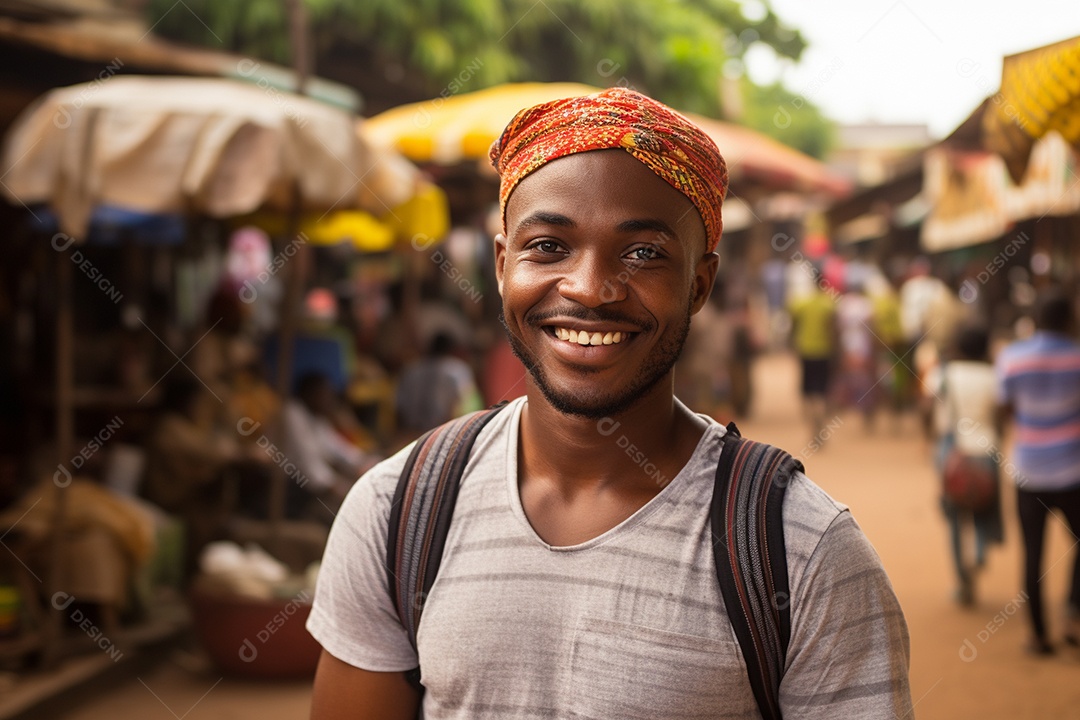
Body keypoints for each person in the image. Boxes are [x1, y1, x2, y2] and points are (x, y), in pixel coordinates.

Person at [307, 87, 912, 719]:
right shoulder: (396, 513)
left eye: (644, 253)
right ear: (500, 264)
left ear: (698, 284)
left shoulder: (801, 552)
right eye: (548, 246)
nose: (591, 289)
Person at [997, 290, 1080, 655]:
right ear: (1068, 320)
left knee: (1033, 552)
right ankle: (1074, 614)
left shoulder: (1012, 357)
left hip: (1028, 470)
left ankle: (1038, 635)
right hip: (1073, 471)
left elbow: (1004, 406)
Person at [928, 325, 1004, 606]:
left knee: (954, 517)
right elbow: (1002, 412)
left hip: (952, 451)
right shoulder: (993, 375)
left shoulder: (944, 374)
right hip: (987, 448)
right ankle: (981, 551)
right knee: (984, 507)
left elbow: (927, 405)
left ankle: (963, 581)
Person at [788, 280, 838, 442]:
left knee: (808, 391)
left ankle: (813, 428)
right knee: (821, 390)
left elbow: (794, 325)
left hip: (806, 351)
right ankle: (820, 424)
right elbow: (833, 330)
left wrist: (793, 343)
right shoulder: (828, 304)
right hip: (824, 352)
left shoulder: (802, 303)